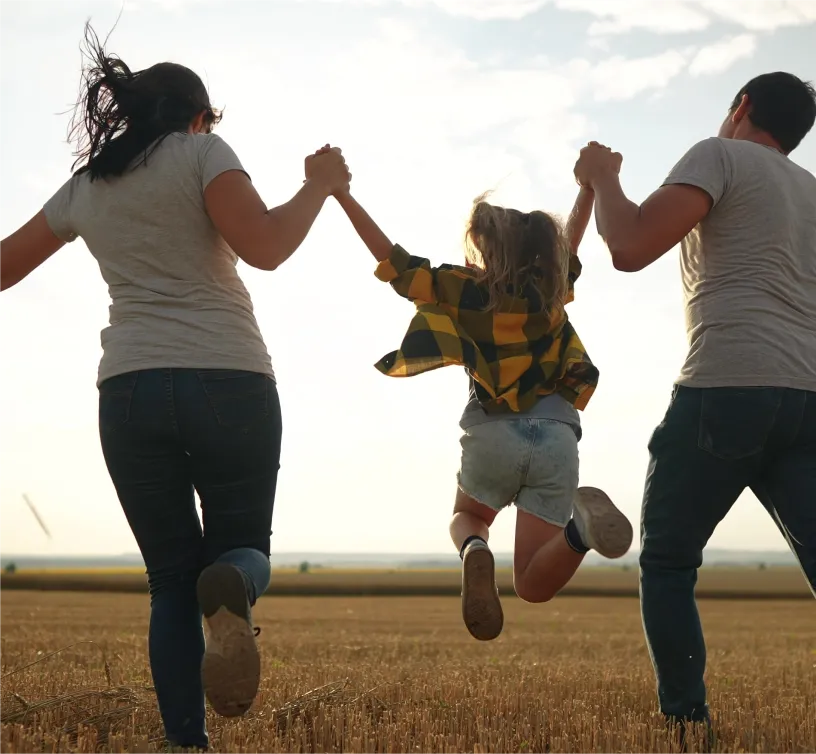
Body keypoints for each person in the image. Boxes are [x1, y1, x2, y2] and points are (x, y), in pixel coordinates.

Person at [0, 25, 350, 750]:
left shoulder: (86, 187)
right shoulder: (203, 154)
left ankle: (186, 743)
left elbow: (3, 267)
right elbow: (266, 247)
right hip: (228, 379)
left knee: (168, 582)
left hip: (127, 392)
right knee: (245, 549)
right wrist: (318, 187)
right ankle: (231, 582)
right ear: (198, 117)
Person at [573, 72, 816, 743]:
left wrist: (601, 179)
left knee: (670, 564)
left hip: (727, 386)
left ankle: (687, 729)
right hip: (808, 397)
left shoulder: (721, 155)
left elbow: (628, 246)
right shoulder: (810, 192)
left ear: (739, 108)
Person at [325, 145, 633, 641]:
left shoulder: (462, 287)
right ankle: (581, 533)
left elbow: (392, 259)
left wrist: (341, 194)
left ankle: (475, 550)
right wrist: (587, 190)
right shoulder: (551, 286)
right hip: (557, 433)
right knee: (532, 584)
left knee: (467, 516)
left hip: (491, 430)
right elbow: (571, 241)